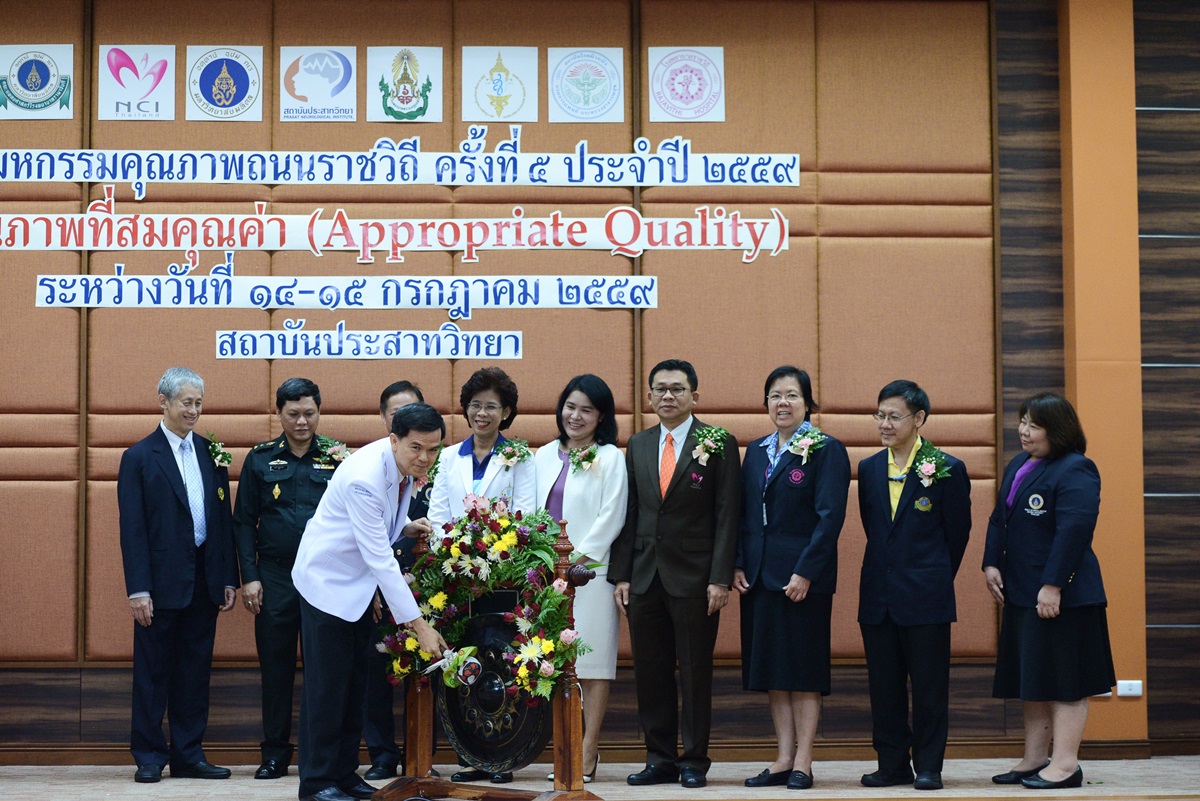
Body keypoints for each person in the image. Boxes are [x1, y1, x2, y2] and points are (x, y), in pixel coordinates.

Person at [292, 404, 448, 801]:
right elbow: (379, 557)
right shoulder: (364, 476)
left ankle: (344, 775)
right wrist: (420, 625)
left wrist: (404, 526)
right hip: (327, 584)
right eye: (417, 448)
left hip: (357, 587)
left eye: (433, 450)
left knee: (353, 685)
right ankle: (316, 783)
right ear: (393, 439)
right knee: (328, 689)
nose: (425, 458)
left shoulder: (400, 466)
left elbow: (379, 528)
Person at [610, 358, 742, 790]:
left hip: (696, 578)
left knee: (696, 671)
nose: (668, 396)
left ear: (694, 396)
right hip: (645, 577)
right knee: (650, 671)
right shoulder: (639, 444)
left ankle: (694, 760)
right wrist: (623, 574)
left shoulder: (718, 441)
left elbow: (728, 515)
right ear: (649, 397)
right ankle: (660, 757)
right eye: (660, 389)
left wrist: (720, 577)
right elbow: (631, 514)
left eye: (677, 389)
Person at [982, 393, 1114, 790]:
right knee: (1034, 678)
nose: (1023, 431)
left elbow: (1073, 532)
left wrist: (1053, 585)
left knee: (1065, 680)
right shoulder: (1021, 463)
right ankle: (1034, 758)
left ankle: (1065, 765)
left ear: (1057, 430)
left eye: (1034, 425)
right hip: (1023, 592)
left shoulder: (1077, 468)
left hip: (1064, 597)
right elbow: (998, 519)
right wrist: (990, 563)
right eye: (1022, 421)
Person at [118, 367, 238, 783]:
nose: (194, 410)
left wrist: (227, 577)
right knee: (152, 674)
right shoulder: (138, 457)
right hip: (160, 585)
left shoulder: (211, 452)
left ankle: (189, 753)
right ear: (163, 402)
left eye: (199, 403)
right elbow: (132, 530)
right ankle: (150, 755)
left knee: (194, 673)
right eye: (186, 402)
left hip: (204, 583)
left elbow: (222, 520)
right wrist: (139, 589)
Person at [733, 366, 850, 791]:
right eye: (775, 395)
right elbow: (745, 515)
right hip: (761, 578)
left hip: (803, 580)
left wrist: (806, 571)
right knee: (773, 672)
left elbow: (829, 518)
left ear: (807, 403)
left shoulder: (826, 449)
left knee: (803, 672)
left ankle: (804, 760)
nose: (782, 403)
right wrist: (740, 563)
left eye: (792, 396)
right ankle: (783, 756)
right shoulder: (757, 450)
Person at [857, 380, 971, 791]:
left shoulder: (946, 468)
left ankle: (928, 765)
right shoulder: (869, 469)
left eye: (893, 416)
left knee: (928, 688)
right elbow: (875, 529)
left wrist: (932, 575)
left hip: (926, 596)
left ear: (919, 418)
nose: (884, 424)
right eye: (880, 415)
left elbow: (956, 536)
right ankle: (891, 764)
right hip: (877, 596)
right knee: (884, 688)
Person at [426, 366, 536, 784]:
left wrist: (489, 562)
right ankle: (470, 755)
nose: (482, 413)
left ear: (506, 412)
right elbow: (437, 517)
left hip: (501, 581)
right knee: (463, 665)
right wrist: (456, 558)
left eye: (491, 406)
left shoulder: (518, 457)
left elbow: (525, 516)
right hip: (456, 580)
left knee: (501, 665)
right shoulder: (448, 456)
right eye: (475, 405)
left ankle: (502, 757)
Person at [233, 378, 336, 780]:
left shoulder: (337, 457)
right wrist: (250, 577)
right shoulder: (259, 459)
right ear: (279, 413)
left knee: (322, 669)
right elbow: (243, 523)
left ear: (319, 411)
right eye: (293, 414)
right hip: (274, 576)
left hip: (324, 577)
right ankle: (274, 754)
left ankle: (318, 754)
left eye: (309, 413)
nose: (301, 422)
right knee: (275, 669)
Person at [534, 374, 629, 784]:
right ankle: (561, 745)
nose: (575, 416)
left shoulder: (610, 458)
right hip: (542, 576)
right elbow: (528, 512)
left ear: (601, 416)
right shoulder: (540, 455)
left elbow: (613, 516)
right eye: (570, 406)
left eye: (586, 409)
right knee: (550, 664)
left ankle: (588, 748)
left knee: (592, 664)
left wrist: (574, 561)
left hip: (590, 575)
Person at [362, 380, 426, 781]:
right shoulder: (372, 469)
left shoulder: (432, 463)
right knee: (374, 675)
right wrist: (373, 585)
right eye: (398, 415)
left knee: (427, 673)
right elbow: (366, 538)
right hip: (377, 588)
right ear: (387, 422)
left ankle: (423, 753)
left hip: (427, 584)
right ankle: (383, 754)